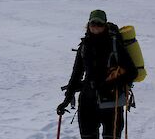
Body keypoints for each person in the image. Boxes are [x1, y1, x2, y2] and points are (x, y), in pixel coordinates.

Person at [57, 10, 138, 139]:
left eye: (99, 24)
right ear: (88, 25)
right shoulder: (84, 46)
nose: (95, 26)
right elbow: (76, 75)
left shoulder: (114, 44)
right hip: (87, 102)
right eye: (92, 23)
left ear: (105, 25)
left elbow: (132, 72)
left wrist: (109, 85)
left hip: (112, 103)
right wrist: (66, 101)